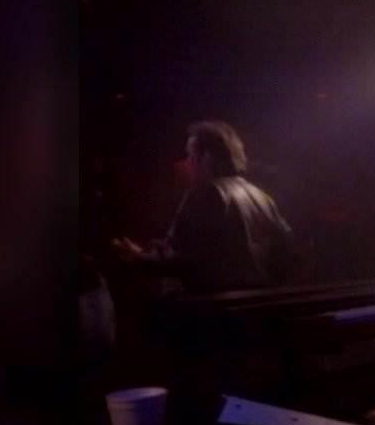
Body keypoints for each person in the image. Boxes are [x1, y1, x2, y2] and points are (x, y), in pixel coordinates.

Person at [113, 120, 298, 295]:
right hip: (254, 305)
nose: (187, 162)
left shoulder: (206, 193)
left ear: (207, 157)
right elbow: (287, 250)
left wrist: (137, 256)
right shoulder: (260, 196)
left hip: (212, 307)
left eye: (190, 154)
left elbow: (182, 259)